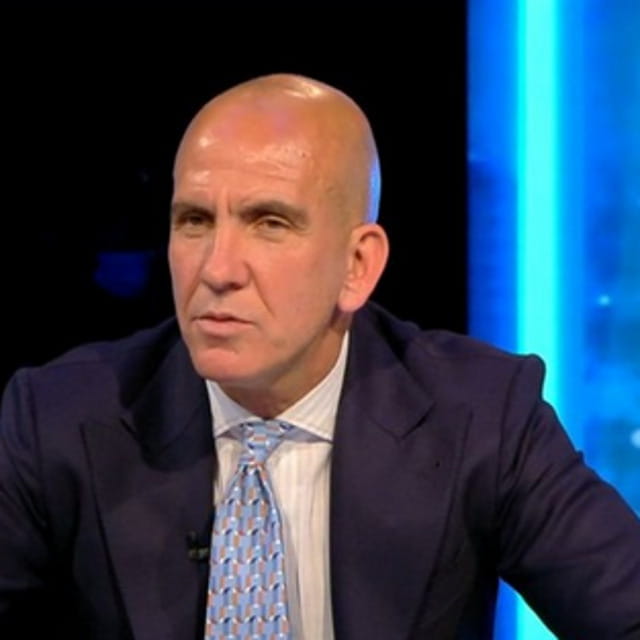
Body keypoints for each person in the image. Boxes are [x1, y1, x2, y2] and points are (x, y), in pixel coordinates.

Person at [1, 73, 639, 640]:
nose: (217, 270)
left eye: (269, 223)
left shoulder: (481, 416)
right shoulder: (56, 419)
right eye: (194, 220)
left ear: (357, 265)